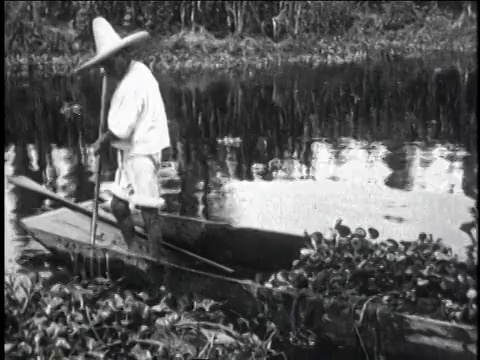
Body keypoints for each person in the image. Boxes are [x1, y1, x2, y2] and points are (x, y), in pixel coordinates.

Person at [74, 17, 171, 257]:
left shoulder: (133, 82)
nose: (106, 70)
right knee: (118, 205)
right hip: (130, 151)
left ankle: (155, 261)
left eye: (109, 64)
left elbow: (120, 129)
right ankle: (134, 249)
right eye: (104, 66)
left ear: (122, 56)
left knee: (149, 210)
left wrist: (100, 142)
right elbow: (122, 124)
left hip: (143, 152)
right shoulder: (134, 72)